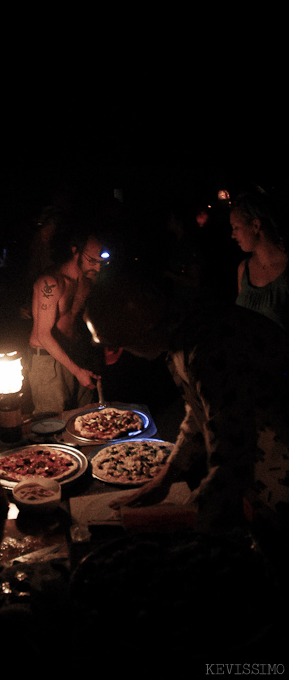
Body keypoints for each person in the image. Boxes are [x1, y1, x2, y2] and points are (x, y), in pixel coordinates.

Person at [85, 266, 289, 538]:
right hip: (262, 470)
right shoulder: (184, 330)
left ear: (145, 330)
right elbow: (199, 411)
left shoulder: (210, 345)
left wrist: (190, 526)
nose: (124, 353)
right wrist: (167, 475)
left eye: (122, 344)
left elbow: (232, 456)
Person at [28, 228, 105, 413]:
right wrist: (77, 371)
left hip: (76, 352)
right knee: (54, 423)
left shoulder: (87, 281)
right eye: (92, 261)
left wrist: (103, 337)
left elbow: (83, 316)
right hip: (48, 360)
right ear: (75, 251)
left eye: (102, 262)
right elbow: (43, 334)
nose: (97, 268)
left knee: (87, 417)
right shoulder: (51, 283)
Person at [230, 188, 289, 331]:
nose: (232, 235)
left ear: (255, 225)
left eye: (236, 227)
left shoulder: (285, 270)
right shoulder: (244, 269)